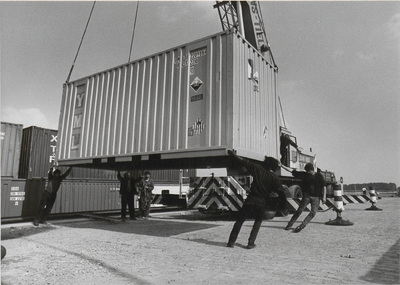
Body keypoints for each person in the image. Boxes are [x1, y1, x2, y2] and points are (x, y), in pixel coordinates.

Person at [227, 151, 286, 249]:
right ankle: (251, 243)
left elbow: (244, 161)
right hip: (261, 202)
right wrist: (282, 205)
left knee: (240, 220)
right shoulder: (274, 177)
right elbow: (281, 192)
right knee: (258, 221)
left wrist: (233, 154)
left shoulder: (257, 169)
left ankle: (231, 242)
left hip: (250, 199)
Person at [284, 163, 326, 233]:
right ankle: (289, 225)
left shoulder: (319, 176)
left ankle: (302, 226)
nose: (308, 173)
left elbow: (324, 186)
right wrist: (282, 166)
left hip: (316, 197)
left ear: (311, 170)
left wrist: (324, 196)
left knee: (313, 213)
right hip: (307, 196)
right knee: (299, 211)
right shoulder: (304, 175)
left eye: (308, 171)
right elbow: (292, 171)